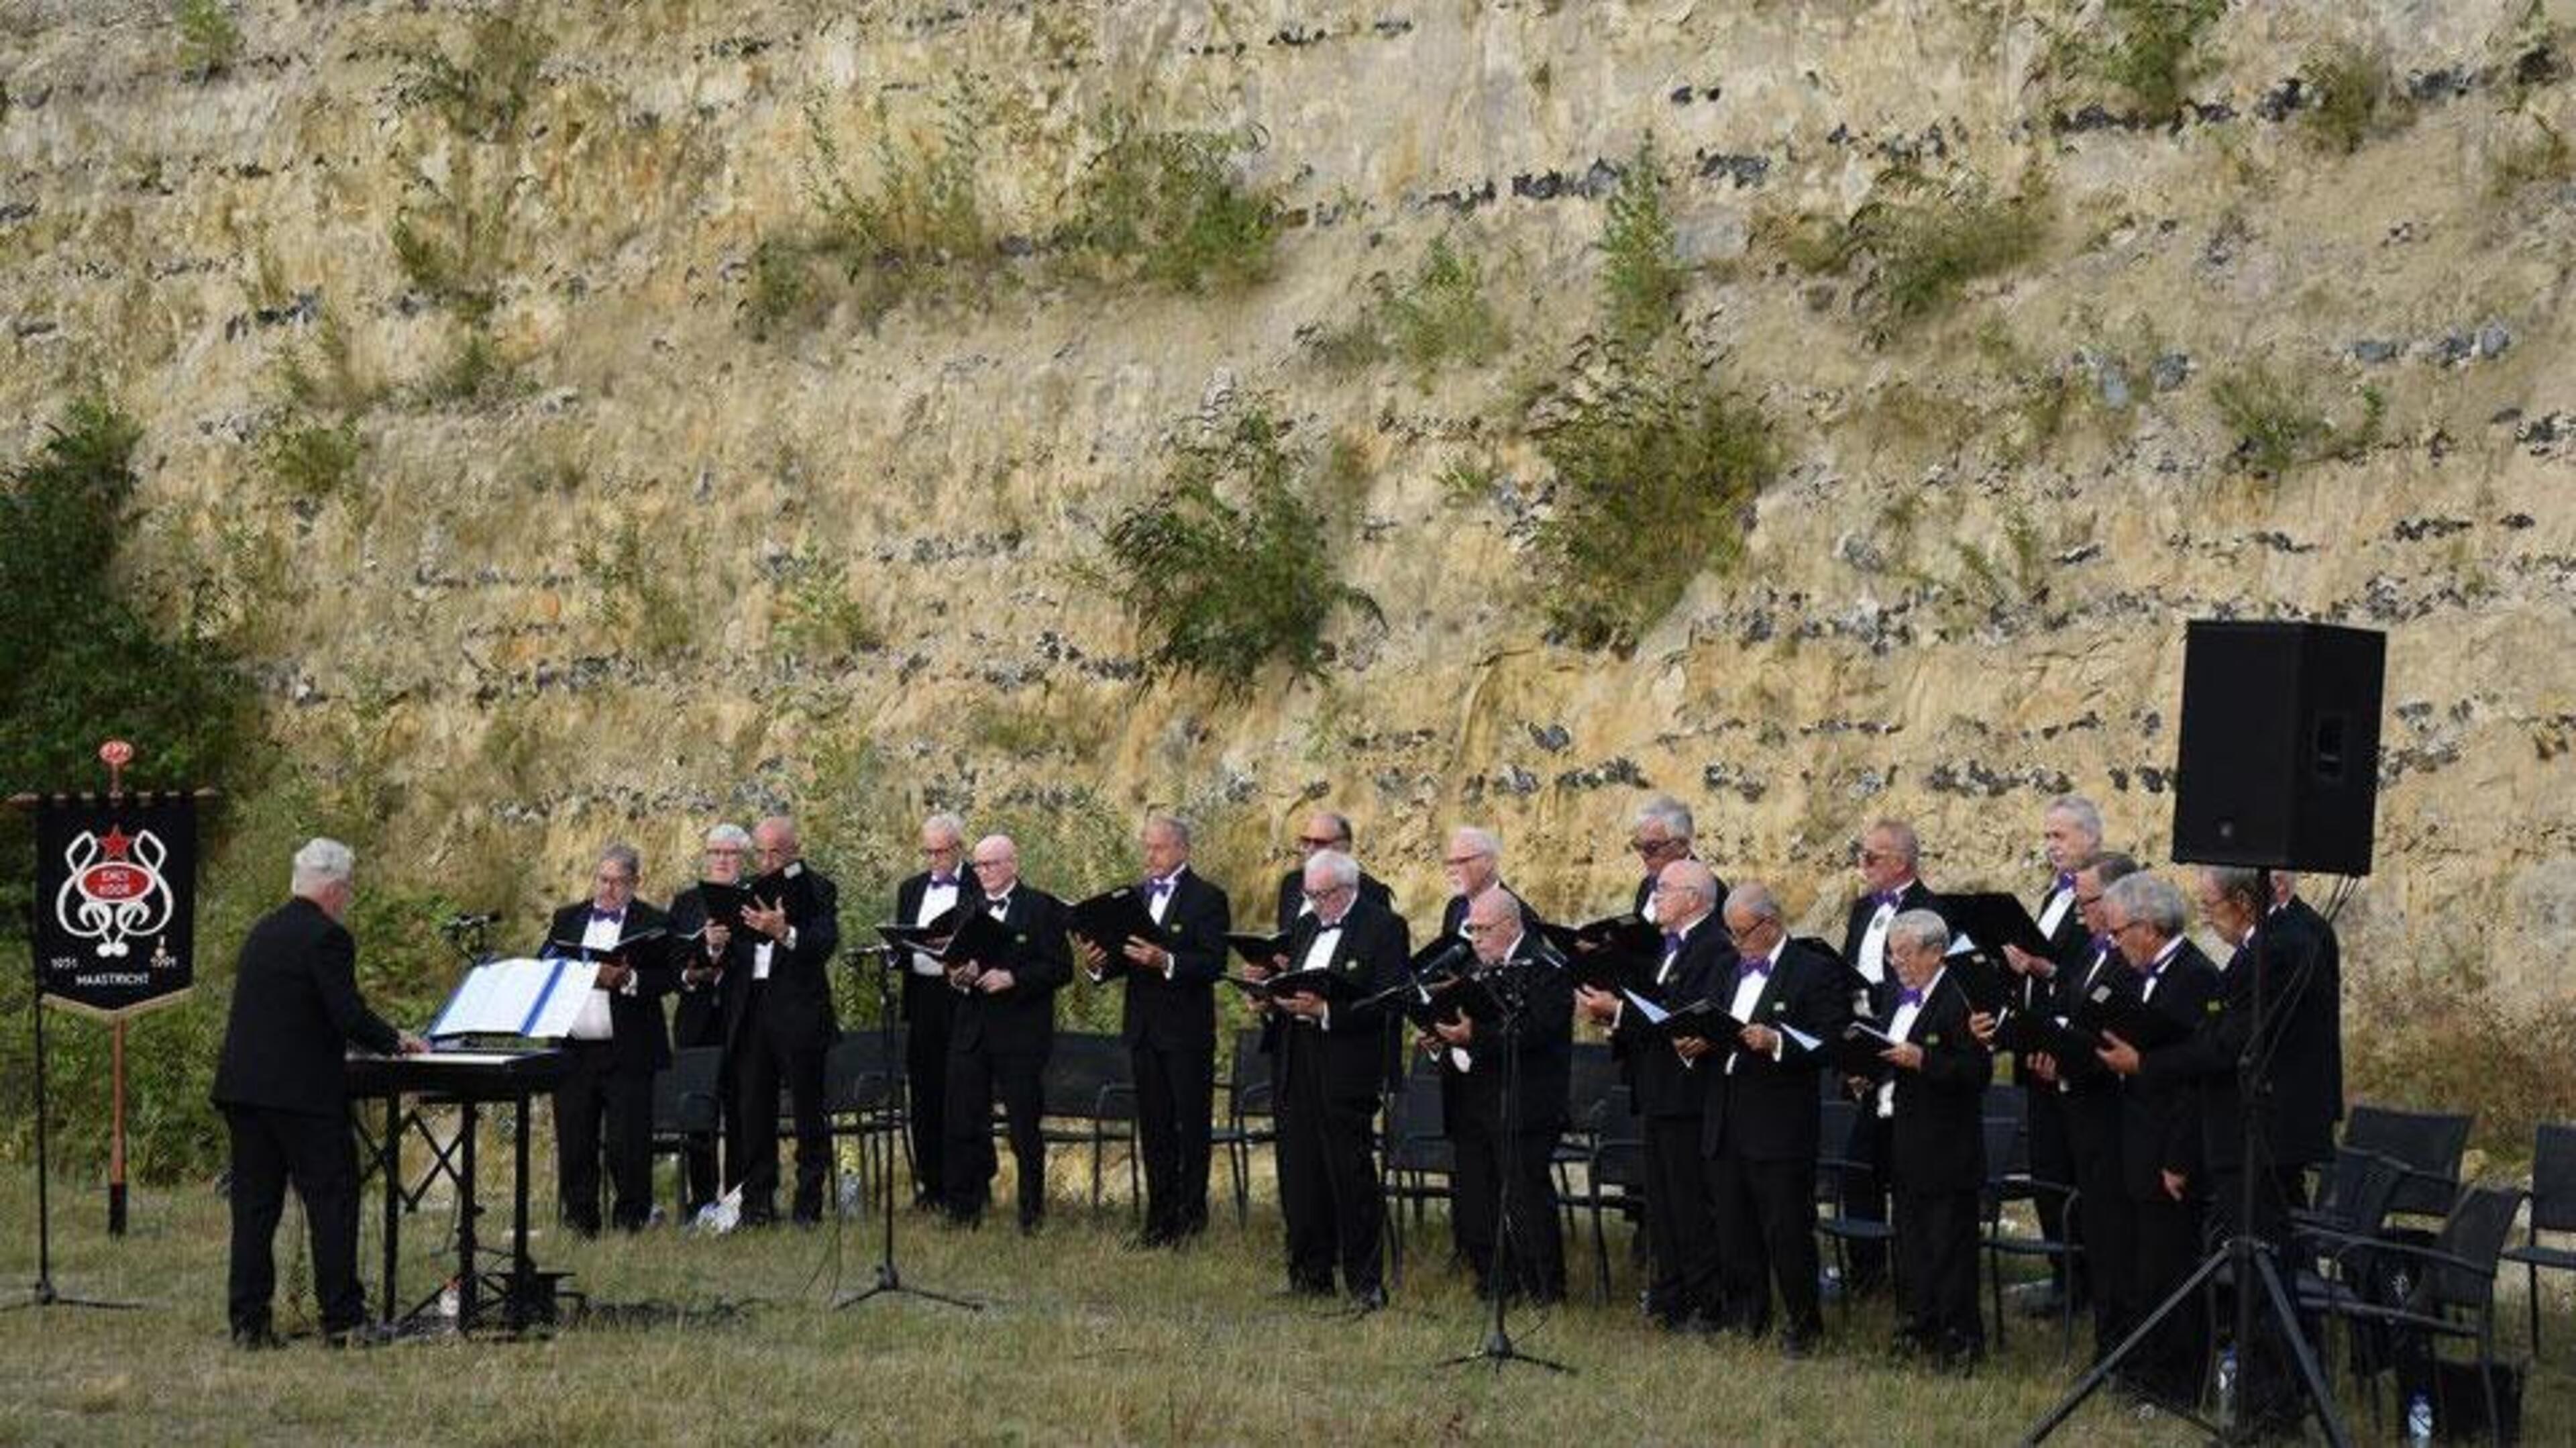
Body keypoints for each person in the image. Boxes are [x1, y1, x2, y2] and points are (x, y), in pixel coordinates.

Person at [211, 837, 425, 1347]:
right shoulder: (327, 937)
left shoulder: (263, 931)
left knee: (255, 1208)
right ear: (333, 889)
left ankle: (249, 1323)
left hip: (245, 1089)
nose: (346, 899)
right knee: (332, 1199)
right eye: (347, 890)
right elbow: (346, 1013)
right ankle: (343, 1319)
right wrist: (396, 1041)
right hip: (301, 1095)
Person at [1573, 858, 1729, 1331]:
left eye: (1664, 890)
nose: (1655, 898)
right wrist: (1615, 1019)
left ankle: (1706, 1302)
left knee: (1689, 1202)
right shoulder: (1667, 946)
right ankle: (1670, 1295)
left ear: (1694, 899)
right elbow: (1654, 1008)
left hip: (1687, 1093)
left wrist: (1620, 1012)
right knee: (1661, 1203)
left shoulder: (1713, 948)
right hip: (1657, 1087)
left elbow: (1685, 1016)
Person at [1695, 880, 1849, 1353]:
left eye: (1742, 932)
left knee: (1787, 1229)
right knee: (1734, 1225)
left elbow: (1832, 1041)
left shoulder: (1814, 971)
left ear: (1771, 924)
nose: (1736, 942)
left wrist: (1778, 1041)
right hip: (1726, 1114)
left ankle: (1804, 1325)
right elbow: (1714, 1022)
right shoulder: (1726, 968)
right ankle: (1747, 1316)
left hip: (1779, 1123)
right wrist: (1697, 1040)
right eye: (1730, 932)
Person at [1252, 849, 1408, 1306]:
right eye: (1310, 895)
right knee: (1299, 1172)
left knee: (1349, 1174)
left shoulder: (1384, 928)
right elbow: (1296, 986)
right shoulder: (1305, 926)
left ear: (1346, 889)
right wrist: (1270, 1001)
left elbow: (1389, 1002)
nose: (1314, 904)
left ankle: (1365, 1283)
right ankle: (1308, 1274)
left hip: (1346, 1065)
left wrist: (1327, 1011)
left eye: (1321, 895)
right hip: (1297, 1059)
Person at [2093, 871, 2222, 1409]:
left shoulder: (2196, 977)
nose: (2113, 943)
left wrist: (2179, 1158)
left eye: (2118, 932)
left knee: (2171, 1271)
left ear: (2148, 928)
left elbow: (2199, 1079)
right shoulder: (2133, 975)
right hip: (2134, 1141)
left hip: (2172, 1149)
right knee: (2140, 1268)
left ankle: (2177, 1385)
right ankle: (2142, 1370)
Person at [1079, 814, 1232, 1247]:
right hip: (1143, 1029)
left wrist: (1166, 961)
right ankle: (1158, 1221)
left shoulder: (1208, 898)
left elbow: (1213, 963)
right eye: (1146, 847)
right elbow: (1122, 959)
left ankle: (1191, 1220)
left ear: (1182, 849)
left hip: (1186, 1032)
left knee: (1191, 1127)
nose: (1150, 855)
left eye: (1159, 847)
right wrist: (1098, 964)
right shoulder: (1135, 896)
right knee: (1155, 1127)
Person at [1424, 884, 1570, 1304]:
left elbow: (1539, 1030)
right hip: (1472, 1098)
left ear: (1510, 925)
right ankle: (1494, 1282)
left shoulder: (1546, 967)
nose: (1476, 938)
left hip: (1525, 1101)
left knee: (1525, 1196)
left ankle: (1544, 1289)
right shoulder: (1473, 967)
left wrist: (1476, 1036)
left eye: (1484, 929)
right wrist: (1440, 1034)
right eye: (1472, 929)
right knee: (1477, 1195)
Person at [1996, 796, 2107, 1316]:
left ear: (2091, 838)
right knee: (2047, 1170)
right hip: (2035, 1046)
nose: (2050, 846)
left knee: (2076, 1171)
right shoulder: (2052, 896)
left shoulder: (2104, 897)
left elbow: (2092, 977)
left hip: (2075, 1054)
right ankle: (2062, 1275)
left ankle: (2088, 1281)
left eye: (2059, 836)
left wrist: (2044, 969)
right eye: (2047, 837)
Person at [1876, 909, 1993, 1372]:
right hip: (1903, 1140)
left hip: (1948, 1147)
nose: (1897, 963)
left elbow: (1978, 1073)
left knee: (1950, 1248)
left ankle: (1959, 1342)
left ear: (1936, 952)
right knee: (1911, 1245)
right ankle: (1917, 1328)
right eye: (1892, 954)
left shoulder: (1962, 996)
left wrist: (1924, 1061)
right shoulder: (1895, 995)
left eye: (1906, 953)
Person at [539, 843, 673, 1235]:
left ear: (636, 882)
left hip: (627, 1049)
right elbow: (544, 964)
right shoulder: (567, 918)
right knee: (575, 1139)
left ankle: (631, 1220)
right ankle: (580, 1221)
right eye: (603, 879)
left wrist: (630, 979)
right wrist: (589, 975)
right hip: (574, 1049)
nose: (608, 889)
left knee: (627, 1143)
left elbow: (670, 977)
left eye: (618, 882)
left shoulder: (654, 922)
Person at [943, 834, 1072, 1233]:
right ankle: (966, 1210)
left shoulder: (1040, 907)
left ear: (1013, 863)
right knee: (965, 1122)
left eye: (992, 864)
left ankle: (1031, 1214)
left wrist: (1013, 977)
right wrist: (959, 975)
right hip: (972, 1031)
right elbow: (955, 963)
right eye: (979, 865)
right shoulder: (967, 906)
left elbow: (1060, 968)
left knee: (1023, 1126)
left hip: (1020, 1034)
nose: (984, 872)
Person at [1836, 817, 1938, 1298]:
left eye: (1872, 857)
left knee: (1905, 1170)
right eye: (1861, 855)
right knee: (1860, 1168)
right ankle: (1867, 1273)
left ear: (1900, 862)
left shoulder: (1930, 911)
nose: (1863, 864)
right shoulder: (1862, 909)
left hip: (1905, 1046)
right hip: (1864, 1044)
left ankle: (1915, 1273)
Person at [733, 815, 841, 1226]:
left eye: (775, 853)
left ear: (795, 850)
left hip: (799, 1015)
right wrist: (716, 944)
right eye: (759, 853)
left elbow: (824, 943)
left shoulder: (817, 888)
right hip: (751, 1014)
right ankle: (757, 1205)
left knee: (808, 1114)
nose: (766, 862)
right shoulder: (743, 892)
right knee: (753, 1113)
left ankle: (808, 1206)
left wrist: (784, 932)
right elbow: (733, 956)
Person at [667, 823, 753, 1218]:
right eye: (715, 852)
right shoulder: (686, 902)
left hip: (742, 1020)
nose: (721, 859)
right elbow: (671, 962)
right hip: (696, 1020)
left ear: (742, 858)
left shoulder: (755, 899)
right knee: (697, 1112)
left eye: (730, 853)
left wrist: (724, 952)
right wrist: (701, 958)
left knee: (741, 1112)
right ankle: (701, 1201)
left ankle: (739, 1200)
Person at [888, 813, 969, 1210]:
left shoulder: (977, 885)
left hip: (963, 998)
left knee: (963, 1092)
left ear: (959, 848)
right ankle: (931, 1186)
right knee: (923, 1093)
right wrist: (896, 951)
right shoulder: (911, 888)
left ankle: (966, 1185)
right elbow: (906, 943)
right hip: (922, 998)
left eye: (941, 852)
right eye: (928, 852)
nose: (934, 859)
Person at [1271, 809, 1393, 930]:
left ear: (1344, 847)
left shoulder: (1372, 893)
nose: (1310, 850)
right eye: (1306, 841)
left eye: (1320, 843)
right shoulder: (1292, 884)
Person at [1626, 794, 1728, 919]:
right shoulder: (1646, 885)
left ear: (1682, 846)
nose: (1643, 854)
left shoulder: (1708, 890)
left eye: (1652, 847)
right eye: (1638, 845)